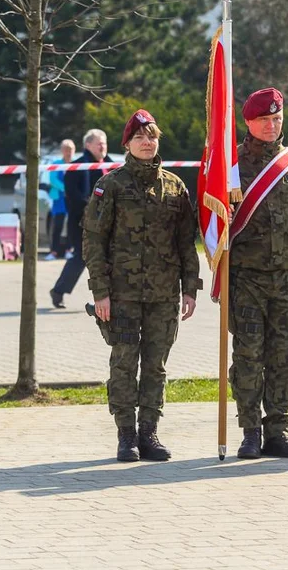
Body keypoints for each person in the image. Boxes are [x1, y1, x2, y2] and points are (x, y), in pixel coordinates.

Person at [82, 110, 201, 461]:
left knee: (155, 366)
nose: (147, 143)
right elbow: (93, 240)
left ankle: (149, 433)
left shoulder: (175, 186)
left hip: (164, 294)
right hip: (122, 294)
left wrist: (190, 288)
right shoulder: (111, 185)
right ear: (127, 144)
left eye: (152, 137)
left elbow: (185, 243)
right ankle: (126, 435)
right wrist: (100, 292)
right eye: (139, 138)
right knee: (123, 363)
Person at [227, 88, 288, 459]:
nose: (271, 125)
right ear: (248, 122)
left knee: (283, 357)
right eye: (264, 119)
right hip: (246, 280)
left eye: (276, 118)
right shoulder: (231, 167)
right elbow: (214, 228)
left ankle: (278, 429)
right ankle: (250, 430)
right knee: (248, 356)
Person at [50, 129, 111, 308]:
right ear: (88, 145)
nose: (103, 146)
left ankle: (106, 299)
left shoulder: (112, 165)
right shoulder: (77, 167)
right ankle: (58, 291)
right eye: (99, 143)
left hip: (111, 223)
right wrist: (95, 211)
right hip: (83, 223)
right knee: (81, 258)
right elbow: (74, 197)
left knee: (112, 258)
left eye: (104, 143)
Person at [43, 139, 75, 260]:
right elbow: (53, 180)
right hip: (59, 199)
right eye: (66, 149)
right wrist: (65, 188)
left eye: (70, 149)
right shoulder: (56, 163)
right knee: (58, 225)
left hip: (72, 200)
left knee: (71, 225)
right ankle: (54, 251)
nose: (68, 152)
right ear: (62, 151)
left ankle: (68, 249)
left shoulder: (76, 164)